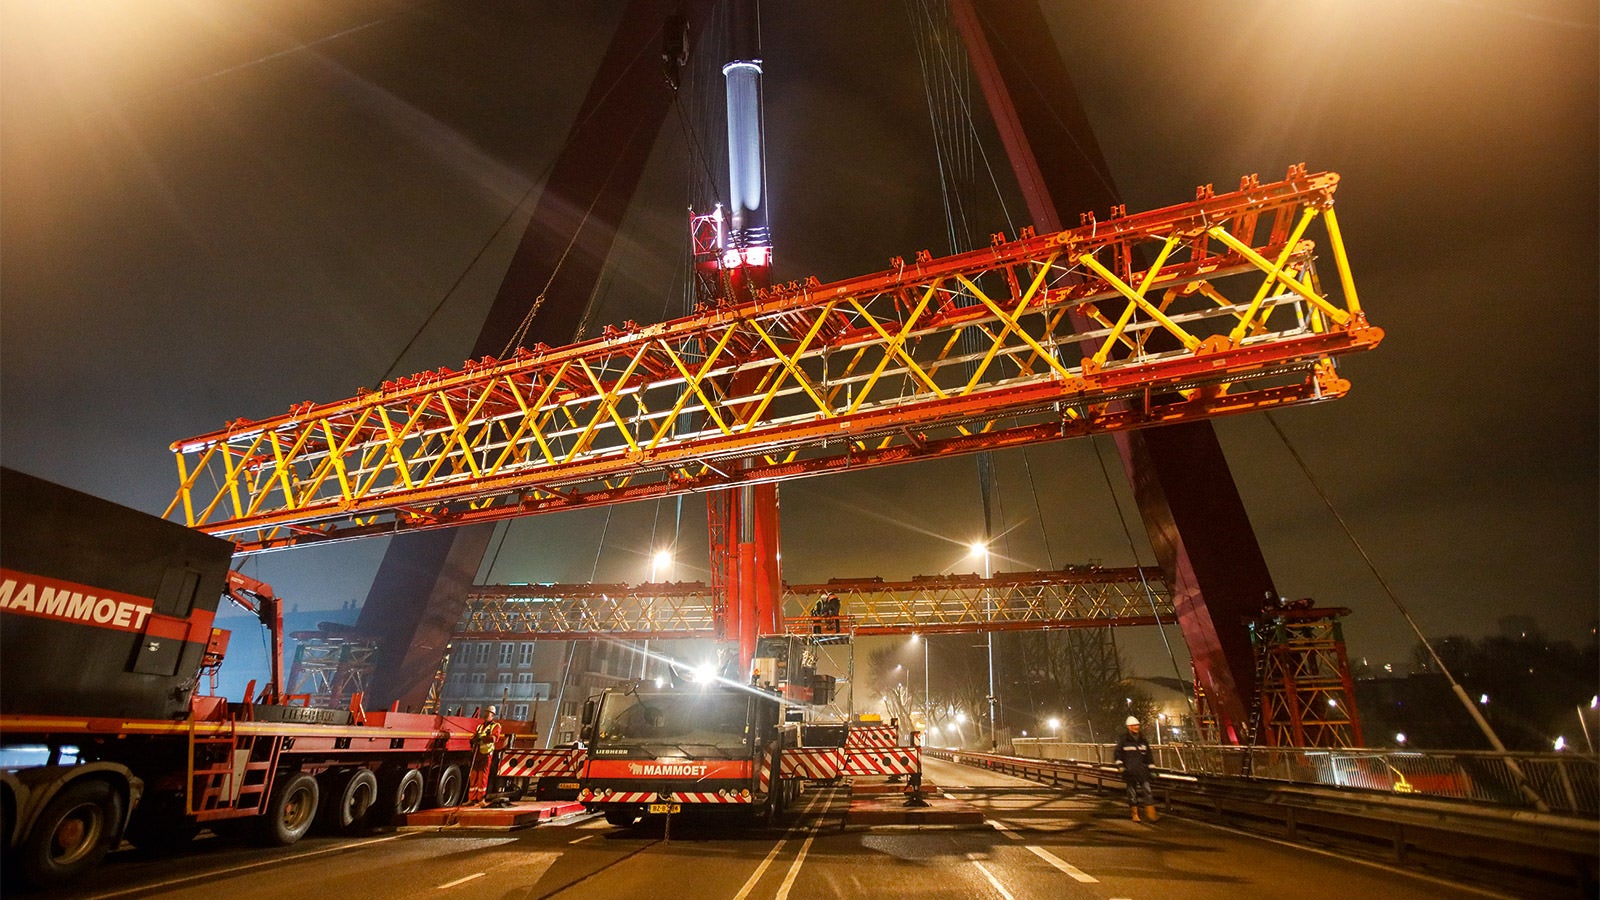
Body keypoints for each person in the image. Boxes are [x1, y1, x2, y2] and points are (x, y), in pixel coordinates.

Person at [1113, 714, 1158, 822]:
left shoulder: (1143, 740)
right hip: (1130, 771)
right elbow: (1118, 754)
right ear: (1129, 727)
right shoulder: (1124, 740)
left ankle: (1151, 814)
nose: (1136, 727)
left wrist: (1152, 769)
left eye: (1137, 725)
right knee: (1132, 793)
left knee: (1147, 791)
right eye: (1134, 726)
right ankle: (1135, 815)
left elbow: (1148, 756)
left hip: (1142, 771)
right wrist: (1120, 766)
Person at [469, 706, 503, 805]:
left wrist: (483, 738)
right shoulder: (480, 726)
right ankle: (472, 799)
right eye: (486, 712)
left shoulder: (496, 726)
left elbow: (494, 738)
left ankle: (481, 799)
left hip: (486, 754)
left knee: (482, 777)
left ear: (493, 715)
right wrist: (473, 740)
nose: (486, 715)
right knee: (473, 776)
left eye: (489, 713)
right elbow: (475, 736)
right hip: (477, 753)